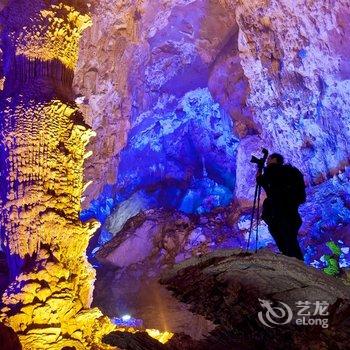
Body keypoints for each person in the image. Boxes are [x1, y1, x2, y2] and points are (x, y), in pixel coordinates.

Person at [257, 153, 306, 260]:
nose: (267, 161)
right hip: (290, 210)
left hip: (281, 211)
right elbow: (265, 184)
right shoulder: (289, 171)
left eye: (269, 159)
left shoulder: (274, 170)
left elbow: (263, 181)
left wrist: (260, 169)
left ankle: (294, 261)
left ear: (275, 159)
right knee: (289, 237)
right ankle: (295, 261)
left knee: (283, 235)